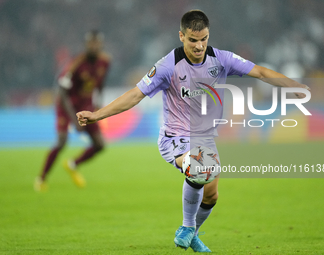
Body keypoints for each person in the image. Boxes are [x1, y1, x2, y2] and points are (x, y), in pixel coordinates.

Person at [76, 10, 310, 252]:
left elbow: (260, 72)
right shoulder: (168, 66)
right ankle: (187, 227)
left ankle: (194, 234)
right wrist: (97, 115)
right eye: (193, 40)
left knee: (212, 196)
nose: (199, 46)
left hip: (204, 139)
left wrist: (294, 86)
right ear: (181, 36)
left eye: (204, 39)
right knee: (199, 167)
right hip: (174, 137)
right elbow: (135, 95)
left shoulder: (220, 59)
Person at [35, 30, 111, 192]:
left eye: (97, 43)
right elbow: (61, 92)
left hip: (86, 106)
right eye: (91, 43)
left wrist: (99, 103)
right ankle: (41, 178)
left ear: (101, 45)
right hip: (66, 105)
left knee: (100, 144)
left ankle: (72, 164)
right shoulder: (76, 63)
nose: (94, 47)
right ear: (86, 45)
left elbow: (101, 83)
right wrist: (73, 119)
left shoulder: (105, 62)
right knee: (62, 141)